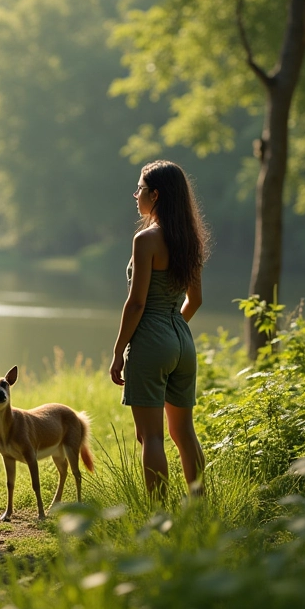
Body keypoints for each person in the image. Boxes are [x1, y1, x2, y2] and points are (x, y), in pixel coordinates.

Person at [109, 160, 210, 501]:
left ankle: (159, 516)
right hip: (182, 340)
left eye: (139, 189)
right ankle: (199, 507)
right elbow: (194, 300)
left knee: (150, 437)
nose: (135, 195)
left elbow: (136, 304)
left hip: (151, 340)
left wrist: (118, 352)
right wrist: (173, 330)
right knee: (184, 433)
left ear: (155, 195)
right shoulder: (189, 240)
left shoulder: (146, 240)